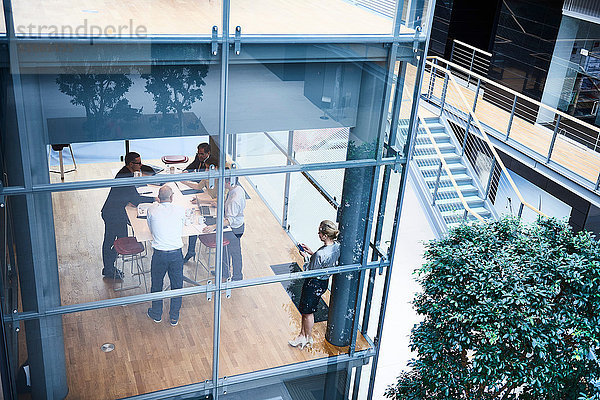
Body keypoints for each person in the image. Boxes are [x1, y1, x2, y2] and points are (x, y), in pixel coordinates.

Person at [101, 152, 154, 280]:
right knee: (115, 241)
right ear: (131, 164)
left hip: (116, 212)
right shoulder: (125, 177)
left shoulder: (126, 172)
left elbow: (130, 195)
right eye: (138, 163)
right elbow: (136, 199)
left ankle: (108, 267)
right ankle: (108, 269)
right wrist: (155, 199)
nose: (141, 165)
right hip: (113, 214)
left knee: (118, 239)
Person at [289, 220, 340, 350]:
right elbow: (325, 263)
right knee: (308, 310)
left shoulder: (320, 254)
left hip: (313, 283)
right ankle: (303, 335)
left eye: (320, 232)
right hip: (323, 282)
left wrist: (305, 256)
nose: (318, 234)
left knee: (307, 312)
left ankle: (306, 336)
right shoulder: (336, 247)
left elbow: (309, 270)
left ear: (325, 236)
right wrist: (312, 253)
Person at [146, 185, 186, 326]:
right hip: (176, 254)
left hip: (159, 255)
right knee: (177, 285)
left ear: (158, 197)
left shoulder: (151, 210)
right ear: (172, 197)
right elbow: (183, 226)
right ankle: (174, 316)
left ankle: (157, 314)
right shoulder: (180, 210)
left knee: (157, 285)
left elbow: (151, 230)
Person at [202, 172, 246, 281]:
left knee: (234, 252)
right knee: (224, 250)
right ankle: (224, 272)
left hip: (234, 228)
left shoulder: (234, 200)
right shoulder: (237, 189)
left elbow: (229, 221)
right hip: (236, 225)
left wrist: (213, 226)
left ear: (228, 182)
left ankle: (237, 277)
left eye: (223, 181)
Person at [182, 142, 219, 262]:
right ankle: (191, 251)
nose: (206, 169)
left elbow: (219, 201)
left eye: (208, 168)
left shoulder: (220, 179)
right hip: (209, 202)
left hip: (217, 210)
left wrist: (200, 200)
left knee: (196, 223)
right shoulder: (207, 174)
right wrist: (184, 181)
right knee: (194, 222)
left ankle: (191, 251)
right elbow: (199, 187)